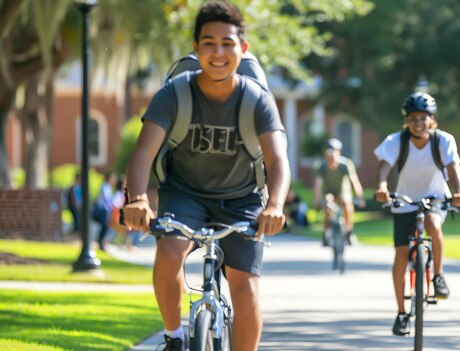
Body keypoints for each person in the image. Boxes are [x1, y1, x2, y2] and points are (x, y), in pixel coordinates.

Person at [122, 2, 290, 351]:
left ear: (242, 49)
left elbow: (277, 159)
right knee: (169, 252)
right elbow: (142, 153)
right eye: (209, 43)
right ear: (196, 48)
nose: (218, 52)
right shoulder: (174, 95)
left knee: (245, 288)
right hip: (185, 194)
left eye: (227, 43)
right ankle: (173, 337)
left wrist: (274, 205)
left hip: (243, 198)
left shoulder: (256, 99)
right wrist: (137, 199)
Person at [373, 92, 460, 336]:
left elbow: (454, 167)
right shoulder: (396, 141)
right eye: (413, 118)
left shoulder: (443, 141)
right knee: (401, 255)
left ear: (432, 119)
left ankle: (438, 276)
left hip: (435, 196)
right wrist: (382, 187)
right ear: (406, 120)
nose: (418, 123)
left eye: (423, 118)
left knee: (432, 224)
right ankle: (402, 313)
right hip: (404, 201)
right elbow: (384, 168)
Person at [313, 138, 365, 246]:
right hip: (329, 192)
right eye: (329, 152)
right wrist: (317, 200)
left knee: (347, 204)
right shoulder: (321, 167)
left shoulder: (345, 164)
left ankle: (348, 232)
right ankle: (327, 233)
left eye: (334, 152)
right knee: (328, 205)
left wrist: (360, 197)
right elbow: (318, 185)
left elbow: (354, 181)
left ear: (339, 152)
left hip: (342, 191)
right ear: (325, 153)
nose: (332, 155)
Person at [92, 172, 117, 251]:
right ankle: (100, 243)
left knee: (106, 227)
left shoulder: (108, 187)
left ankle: (101, 243)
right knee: (105, 226)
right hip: (102, 210)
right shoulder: (105, 186)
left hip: (106, 210)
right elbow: (107, 200)